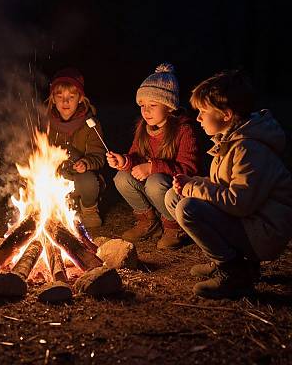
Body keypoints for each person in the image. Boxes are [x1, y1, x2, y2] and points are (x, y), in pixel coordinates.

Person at [165, 70, 292, 299]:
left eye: (203, 111)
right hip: (246, 222)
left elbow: (238, 201)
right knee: (173, 198)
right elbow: (221, 185)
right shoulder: (230, 142)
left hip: (262, 233)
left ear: (226, 114)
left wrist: (192, 187)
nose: (199, 118)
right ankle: (227, 260)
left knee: (188, 208)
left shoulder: (249, 149)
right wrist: (191, 182)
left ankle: (234, 271)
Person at [106, 63, 201, 249]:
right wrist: (125, 161)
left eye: (152, 105)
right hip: (154, 186)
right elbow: (136, 156)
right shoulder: (144, 128)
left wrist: (152, 167)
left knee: (154, 181)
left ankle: (174, 227)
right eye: (142, 105)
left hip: (176, 190)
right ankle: (148, 223)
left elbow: (189, 169)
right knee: (122, 177)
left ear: (169, 106)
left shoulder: (184, 130)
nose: (146, 111)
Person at [47, 67, 106, 228]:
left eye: (71, 97)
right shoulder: (45, 124)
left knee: (88, 181)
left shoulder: (90, 124)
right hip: (58, 176)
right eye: (60, 97)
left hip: (81, 178)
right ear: (53, 99)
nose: (65, 102)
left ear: (80, 98)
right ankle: (56, 209)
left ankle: (89, 209)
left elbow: (99, 155)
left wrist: (86, 163)